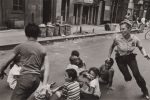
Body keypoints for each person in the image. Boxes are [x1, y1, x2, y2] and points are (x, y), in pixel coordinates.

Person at [0, 23, 50, 100]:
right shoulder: (42, 49)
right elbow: (46, 69)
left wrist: (1, 70)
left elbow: (6, 62)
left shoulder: (20, 47)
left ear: (26, 33)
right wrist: (44, 85)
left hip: (25, 79)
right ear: (38, 34)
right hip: (36, 80)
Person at [108, 20, 150, 99]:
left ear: (129, 29)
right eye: (121, 29)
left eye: (123, 29)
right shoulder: (117, 38)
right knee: (128, 78)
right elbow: (111, 47)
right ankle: (126, 76)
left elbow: (141, 47)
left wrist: (145, 54)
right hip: (120, 59)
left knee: (137, 75)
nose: (121, 30)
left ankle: (145, 91)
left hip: (130, 57)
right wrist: (108, 56)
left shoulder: (135, 39)